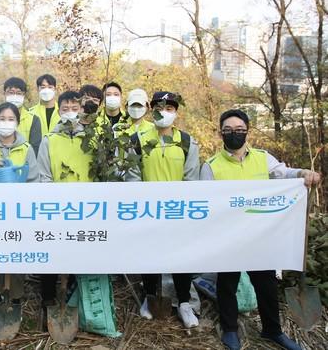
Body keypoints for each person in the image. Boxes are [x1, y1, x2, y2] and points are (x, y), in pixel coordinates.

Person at [200, 109, 320, 350]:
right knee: (227, 283)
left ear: (248, 132)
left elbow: (284, 173)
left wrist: (302, 173)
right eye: (228, 130)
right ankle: (230, 329)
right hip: (229, 236)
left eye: (239, 130)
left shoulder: (263, 158)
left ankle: (272, 330)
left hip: (260, 235)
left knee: (266, 283)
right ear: (221, 133)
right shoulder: (211, 166)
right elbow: (206, 202)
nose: (234, 134)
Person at [125, 91, 200, 329]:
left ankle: (184, 302)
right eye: (159, 108)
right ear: (151, 110)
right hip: (148, 211)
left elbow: (191, 178)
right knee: (149, 255)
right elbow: (133, 176)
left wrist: (181, 205)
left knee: (181, 257)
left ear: (176, 112)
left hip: (177, 211)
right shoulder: (138, 140)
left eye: (169, 109)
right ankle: (149, 297)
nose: (164, 113)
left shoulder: (186, 142)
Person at [0, 102, 37, 320]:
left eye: (11, 119)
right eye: (2, 119)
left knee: (18, 255)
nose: (6, 123)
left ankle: (16, 299)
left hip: (19, 212)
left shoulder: (26, 148)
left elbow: (34, 181)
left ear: (17, 123)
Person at [36, 91, 93, 321]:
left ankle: (73, 298)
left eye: (74, 108)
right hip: (56, 208)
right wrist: (57, 200)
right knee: (51, 252)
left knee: (79, 252)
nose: (70, 112)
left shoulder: (91, 139)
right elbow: (44, 175)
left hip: (86, 208)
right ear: (59, 111)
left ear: (81, 110)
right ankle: (48, 299)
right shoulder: (49, 140)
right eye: (65, 108)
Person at [0, 77, 42, 154]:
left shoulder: (33, 119)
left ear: (24, 95)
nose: (15, 96)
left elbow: (35, 148)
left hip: (25, 160)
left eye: (18, 93)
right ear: (4, 94)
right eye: (11, 93)